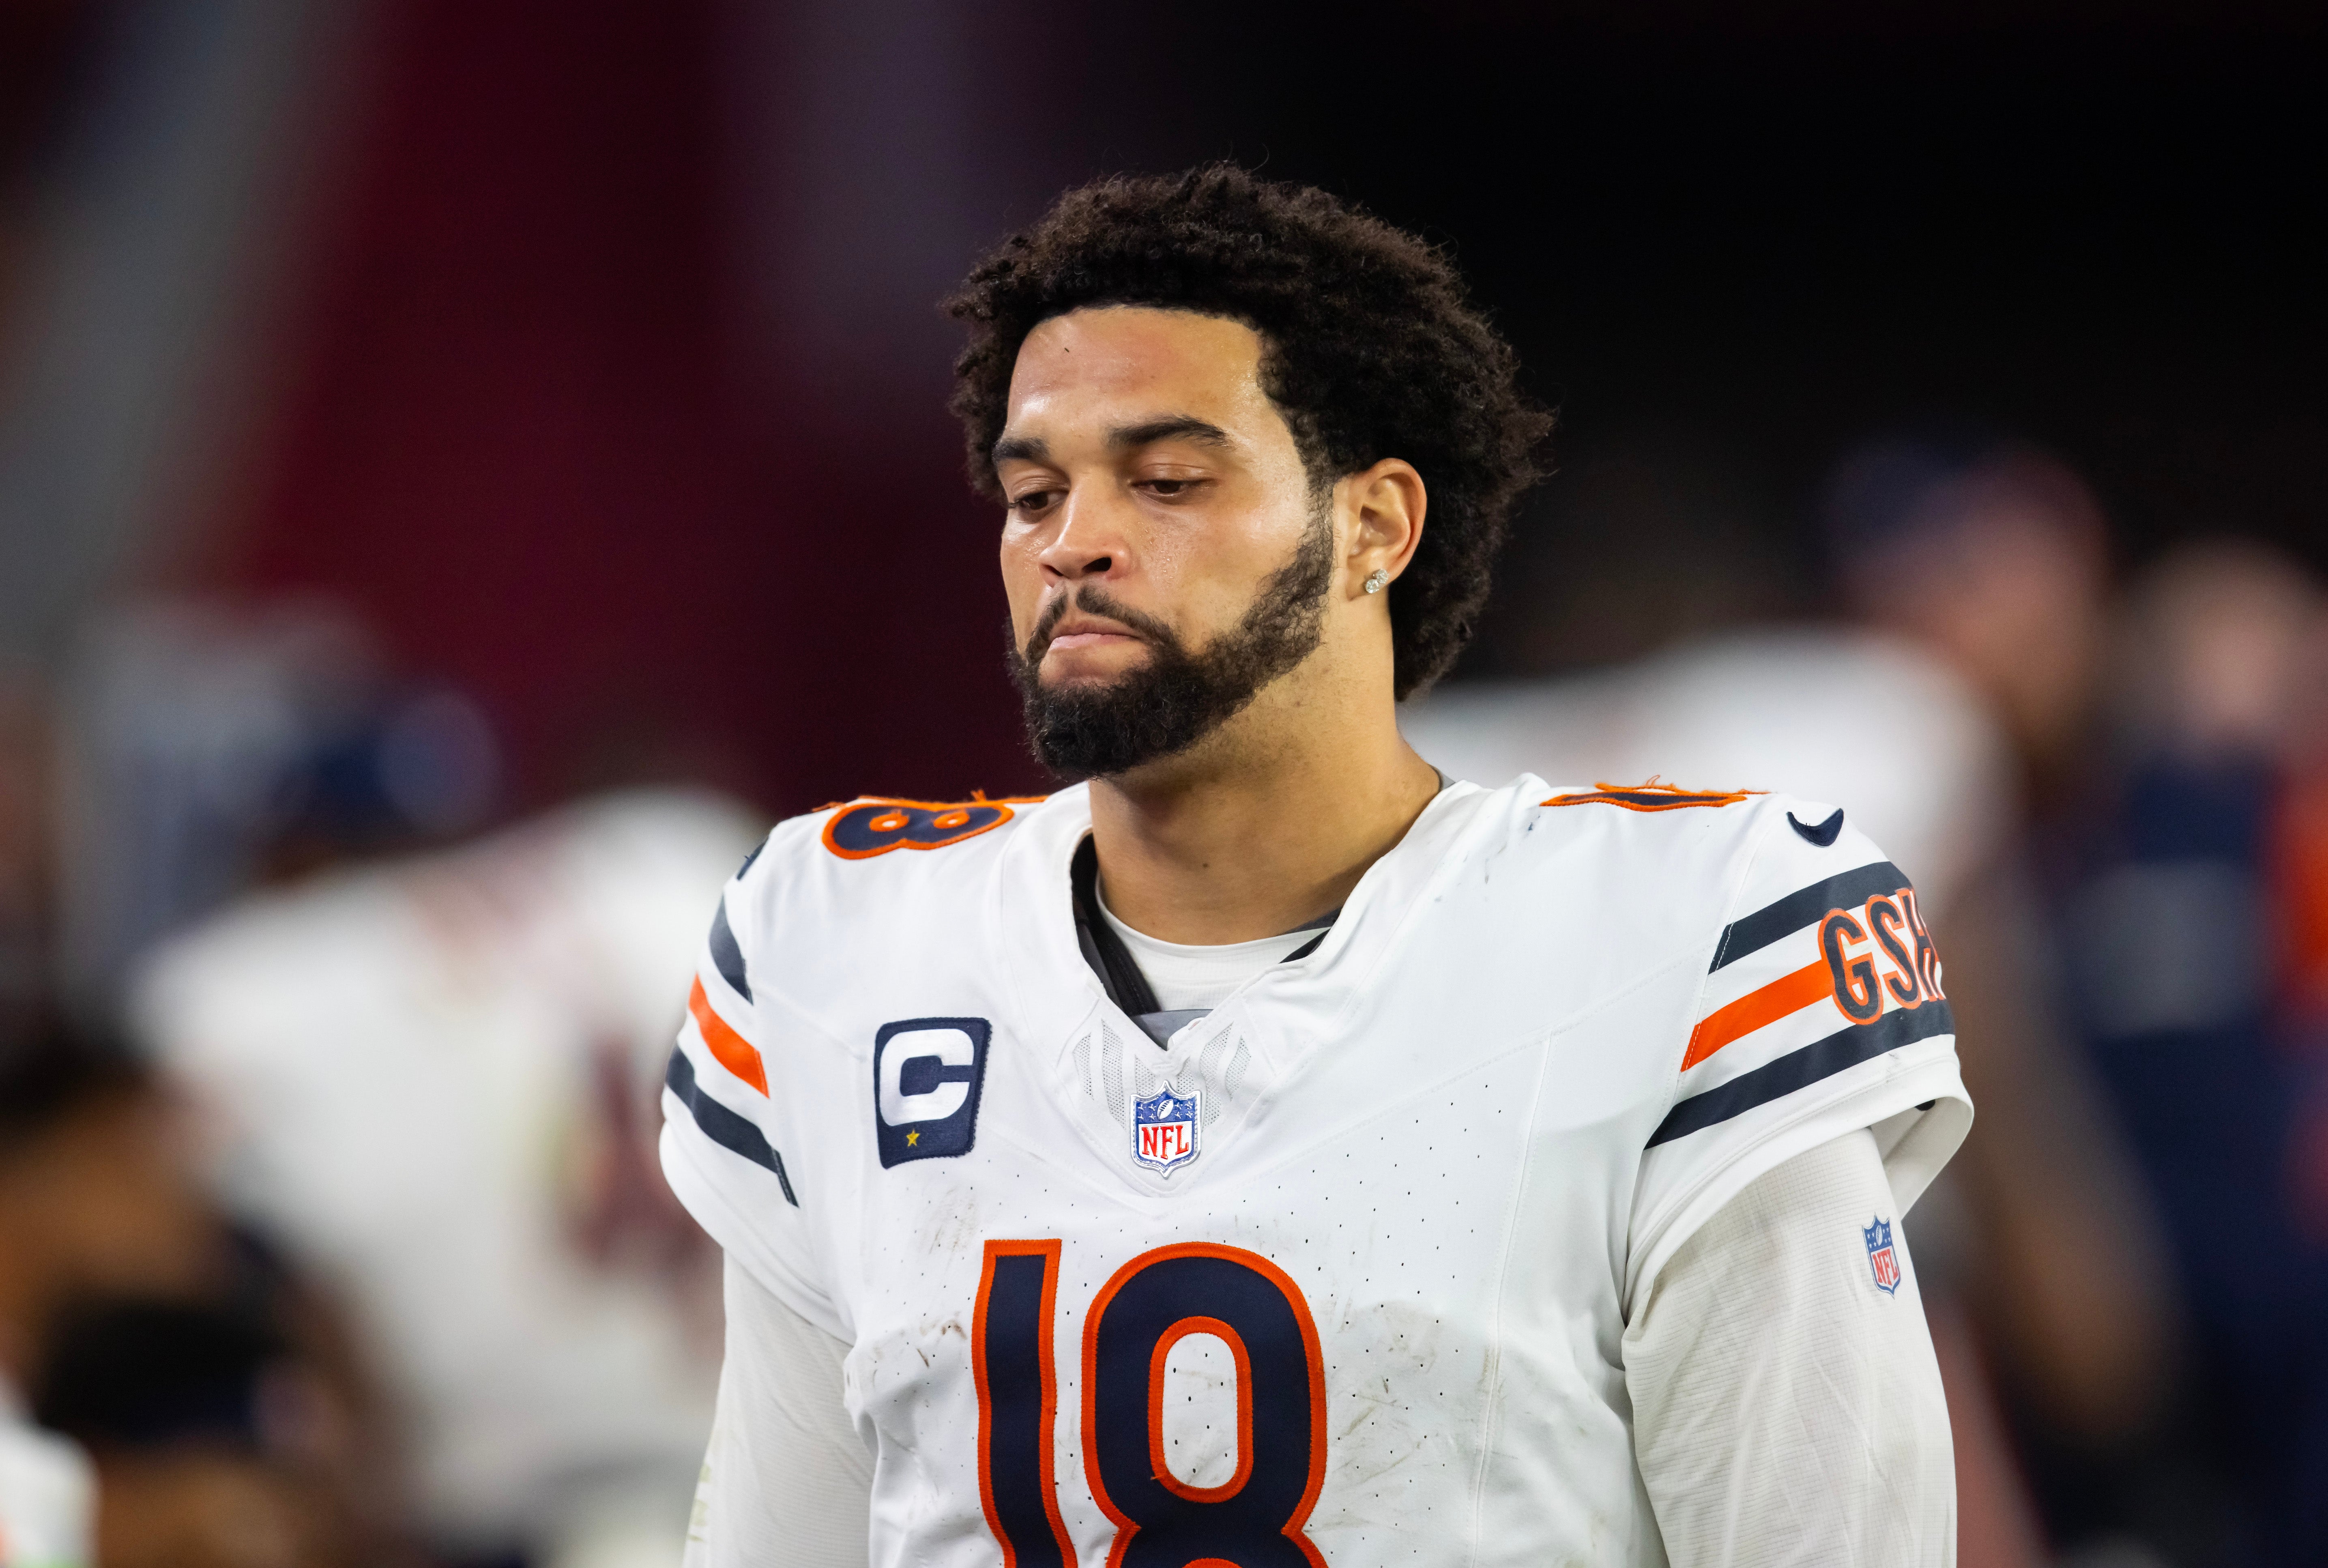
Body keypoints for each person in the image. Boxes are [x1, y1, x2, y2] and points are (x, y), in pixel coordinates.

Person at [662, 167, 1970, 1567]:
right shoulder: (836, 946)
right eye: (1032, 489)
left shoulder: (1683, 932)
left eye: (1165, 480)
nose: (1071, 541)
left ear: (1373, 526)